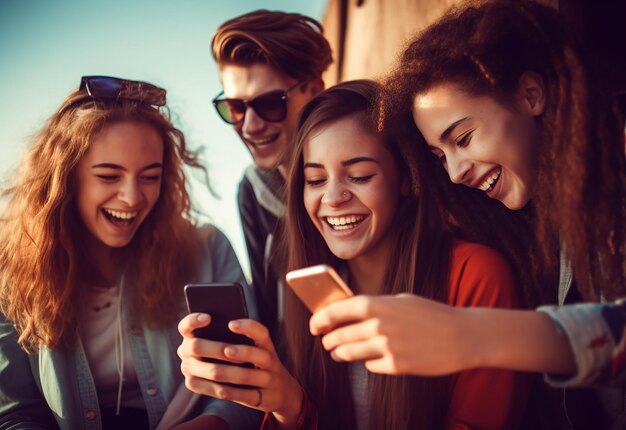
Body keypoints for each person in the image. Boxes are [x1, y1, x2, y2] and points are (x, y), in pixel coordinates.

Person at [307, 1, 626, 427]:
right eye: (440, 156)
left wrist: (469, 334)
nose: (455, 173)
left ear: (531, 95)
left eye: (464, 137)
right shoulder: (542, 229)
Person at [178, 80, 532, 429]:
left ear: (407, 178)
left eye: (360, 176)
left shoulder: (475, 274)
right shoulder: (309, 289)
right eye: (315, 180)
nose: (332, 198)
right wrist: (287, 402)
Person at [0, 76, 261, 430]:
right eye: (109, 176)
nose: (133, 197)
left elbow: (246, 384)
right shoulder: (9, 269)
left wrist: (212, 423)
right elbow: (14, 416)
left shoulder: (208, 250)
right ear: (66, 178)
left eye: (150, 176)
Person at [210, 10, 332, 341]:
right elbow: (265, 311)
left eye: (270, 104)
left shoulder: (376, 167)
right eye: (235, 107)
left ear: (314, 90)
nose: (250, 126)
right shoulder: (252, 189)